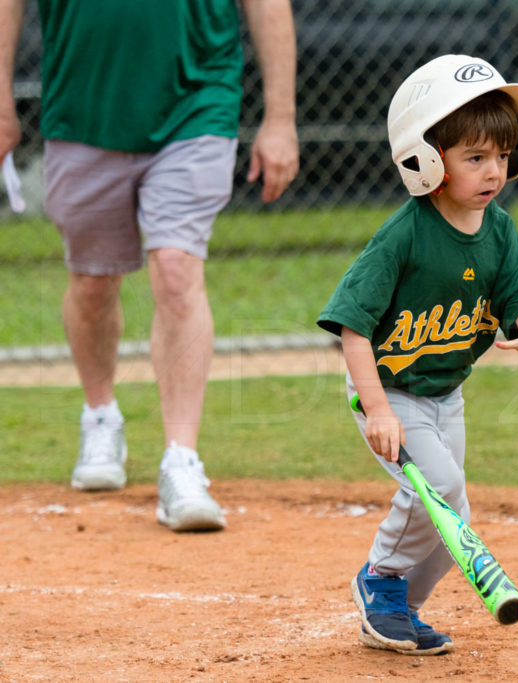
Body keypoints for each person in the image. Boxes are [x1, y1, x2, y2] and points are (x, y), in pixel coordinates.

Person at [0, 0, 299, 531]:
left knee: (177, 267)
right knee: (92, 280)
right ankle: (100, 417)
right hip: (83, 107)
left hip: (198, 101)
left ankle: (181, 459)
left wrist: (280, 119)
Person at [317, 54, 518, 655]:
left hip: (444, 396)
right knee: (442, 486)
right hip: (388, 392)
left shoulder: (497, 228)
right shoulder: (405, 235)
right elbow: (352, 325)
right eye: (475, 157)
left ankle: (397, 611)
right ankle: (380, 579)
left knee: (456, 525)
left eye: (502, 155)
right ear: (427, 160)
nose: (493, 170)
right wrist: (376, 409)